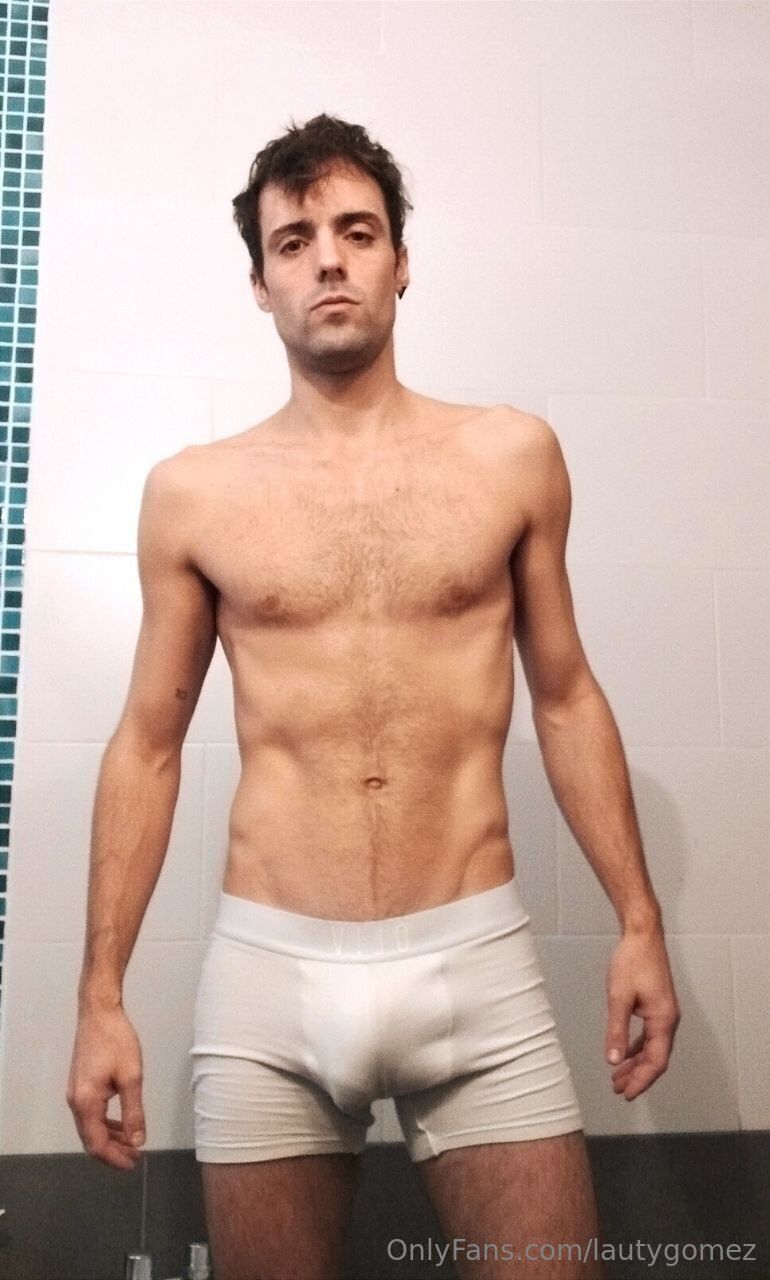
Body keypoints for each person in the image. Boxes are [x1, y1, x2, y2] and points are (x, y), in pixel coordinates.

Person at [67, 114, 681, 1280]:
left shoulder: (509, 455)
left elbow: (563, 695)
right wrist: (100, 992)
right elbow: (146, 745)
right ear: (259, 284)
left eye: (356, 232)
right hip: (268, 980)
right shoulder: (192, 494)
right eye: (293, 241)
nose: (328, 261)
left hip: (474, 958)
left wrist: (639, 922)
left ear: (402, 261)